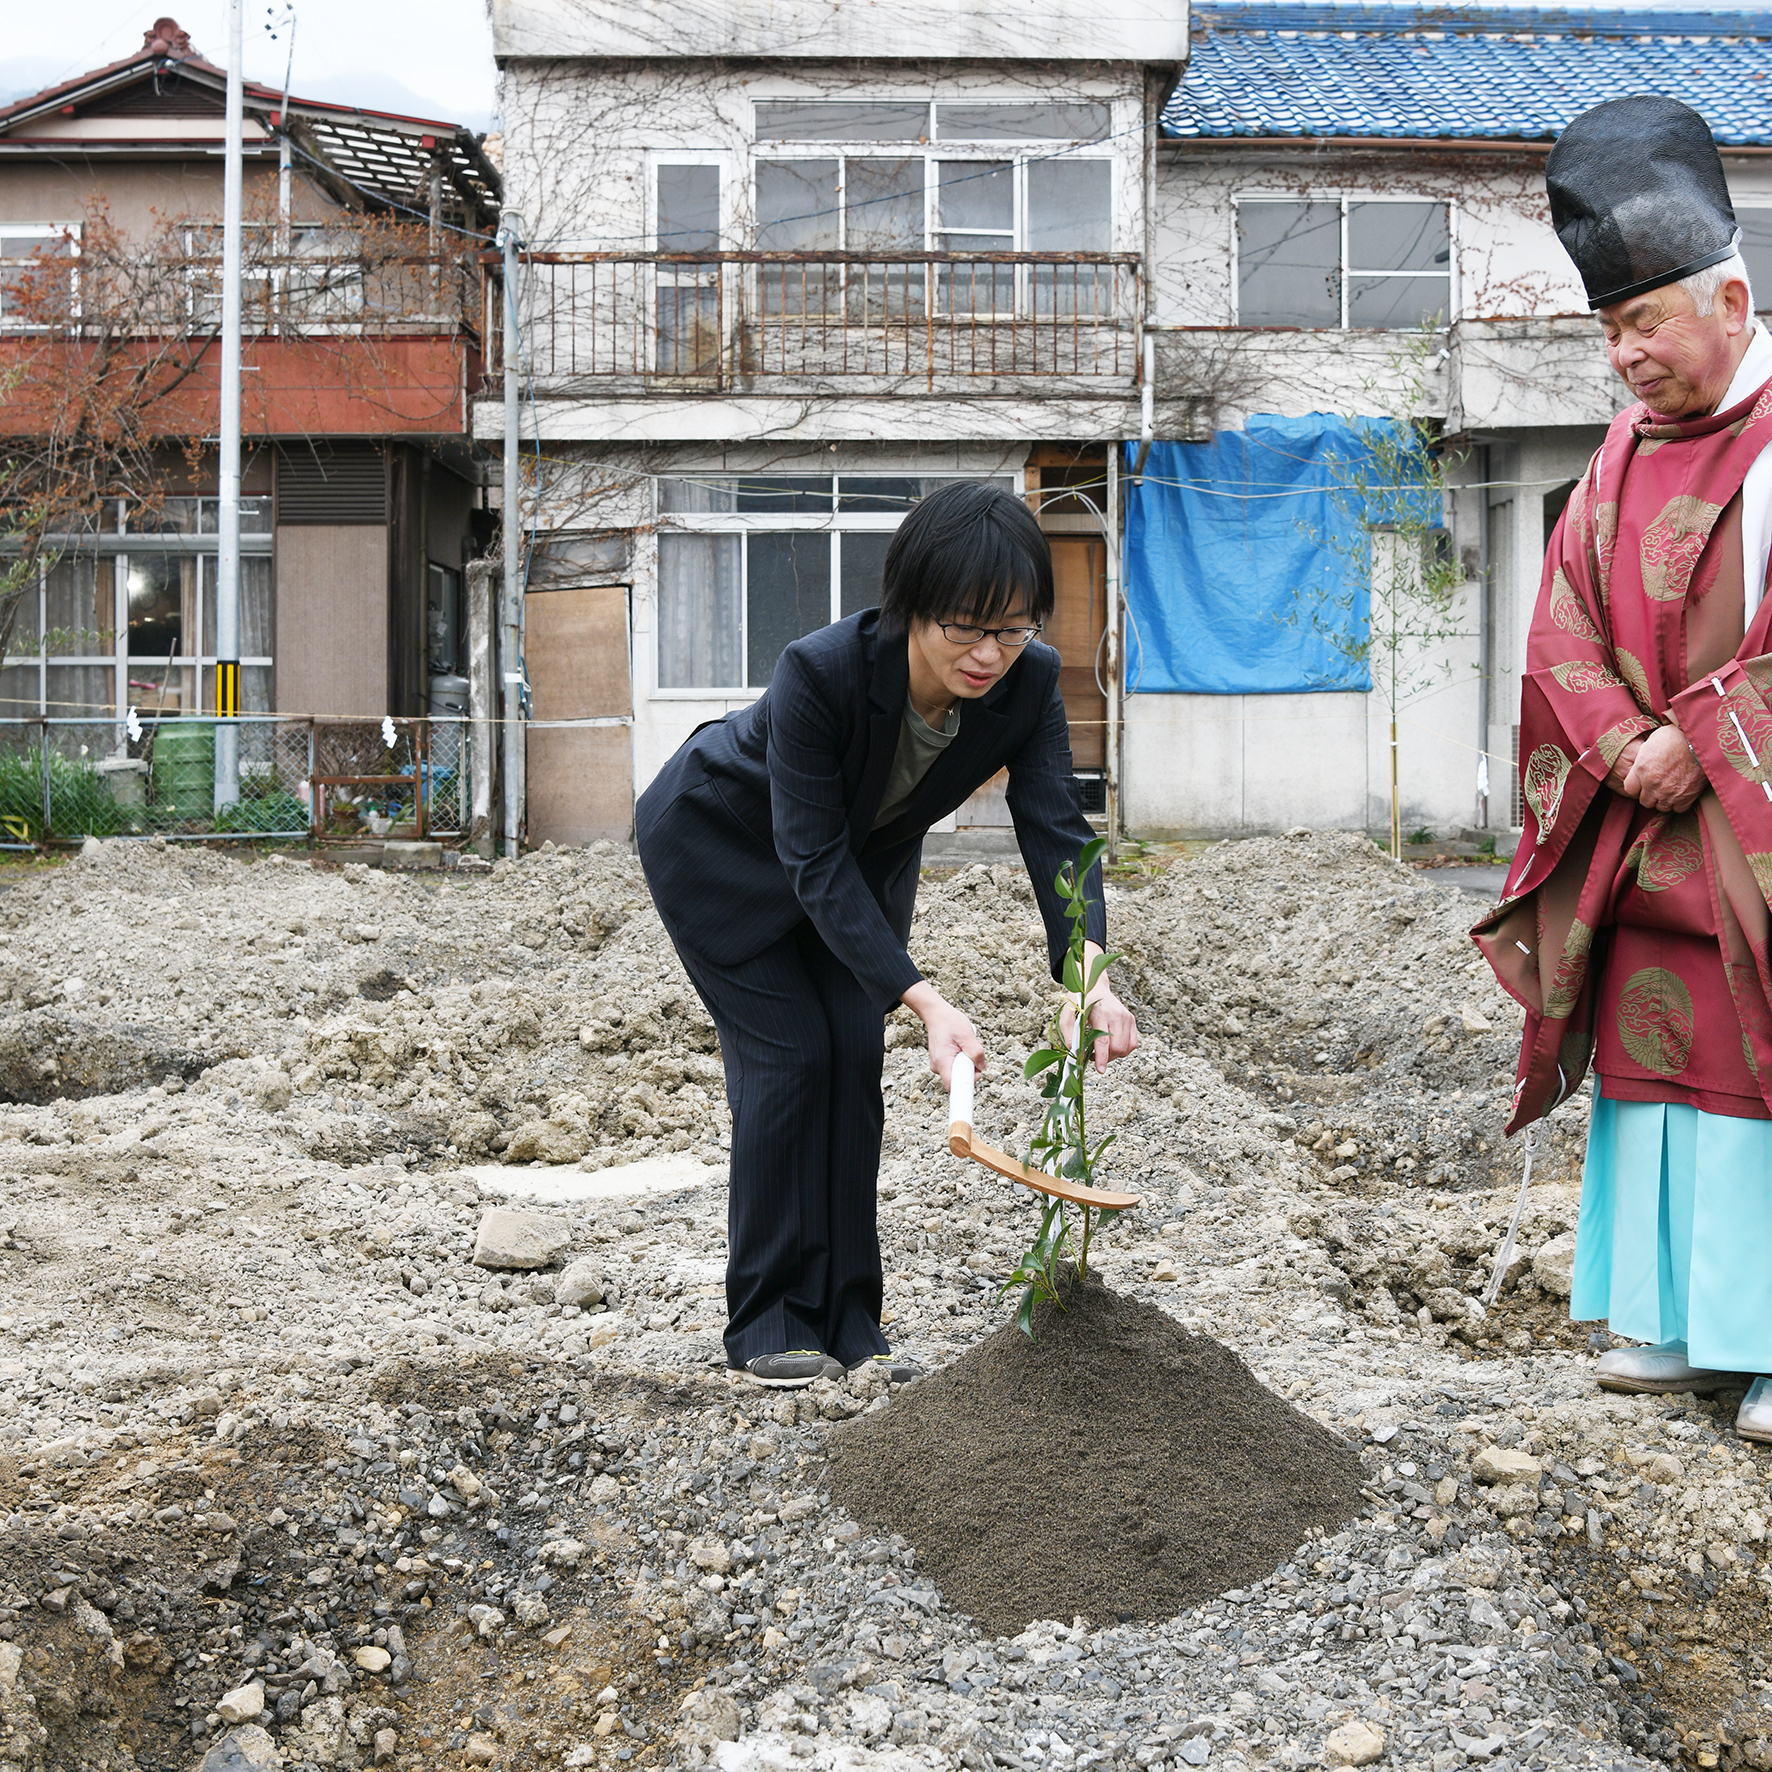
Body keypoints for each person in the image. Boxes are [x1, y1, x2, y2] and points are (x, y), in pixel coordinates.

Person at [636, 481, 1141, 1387]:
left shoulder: (1026, 685)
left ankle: (851, 1318)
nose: (989, 653)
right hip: (719, 849)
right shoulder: (820, 671)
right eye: (966, 628)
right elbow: (810, 857)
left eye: (1013, 629)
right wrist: (924, 998)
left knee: (852, 1060)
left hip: (850, 872)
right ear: (911, 605)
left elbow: (1057, 833)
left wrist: (1088, 980)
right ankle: (769, 1321)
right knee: (793, 1056)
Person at [1474, 95, 1772, 1441]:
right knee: (1660, 1077)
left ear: (1729, 294)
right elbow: (1560, 625)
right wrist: (1618, 745)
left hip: (1747, 841)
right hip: (1647, 844)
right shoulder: (1610, 460)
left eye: (1644, 322)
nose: (1625, 356)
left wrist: (1699, 741)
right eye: (1610, 330)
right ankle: (1672, 1322)